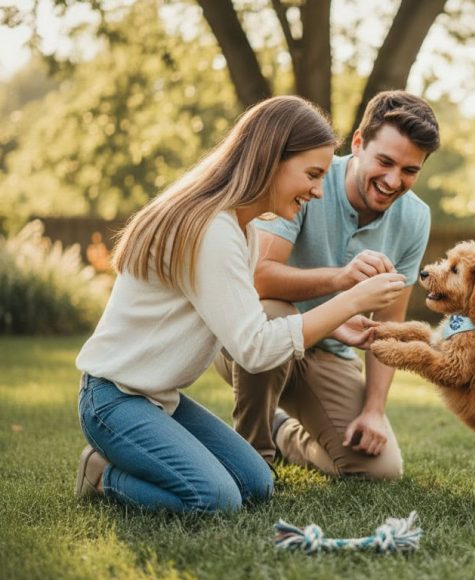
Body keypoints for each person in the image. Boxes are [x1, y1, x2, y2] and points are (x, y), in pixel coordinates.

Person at [74, 96, 407, 513]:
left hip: (159, 400)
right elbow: (254, 349)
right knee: (214, 499)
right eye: (312, 174)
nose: (319, 191)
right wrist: (348, 301)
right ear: (271, 160)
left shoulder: (239, 229)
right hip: (114, 400)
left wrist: (334, 324)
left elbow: (243, 317)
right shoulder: (211, 230)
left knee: (257, 485)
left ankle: (146, 460)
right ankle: (103, 474)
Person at [214, 90, 440, 479]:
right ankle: (253, 458)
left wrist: (373, 411)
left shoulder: (415, 219)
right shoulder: (309, 179)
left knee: (378, 470)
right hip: (257, 337)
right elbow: (259, 279)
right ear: (357, 143)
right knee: (272, 314)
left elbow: (389, 327)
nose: (392, 180)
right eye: (385, 162)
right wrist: (341, 280)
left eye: (409, 171)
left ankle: (283, 432)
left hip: (329, 354)